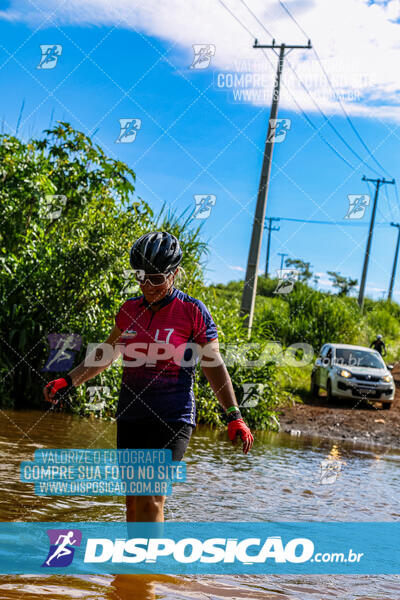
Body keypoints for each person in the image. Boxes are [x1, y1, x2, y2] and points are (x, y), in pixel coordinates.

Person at [43, 231, 254, 523]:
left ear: (175, 273)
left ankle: (149, 563)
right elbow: (107, 352)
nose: (147, 286)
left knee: (152, 496)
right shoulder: (129, 310)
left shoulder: (192, 311)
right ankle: (134, 567)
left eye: (156, 278)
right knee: (133, 501)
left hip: (173, 416)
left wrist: (234, 415)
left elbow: (213, 363)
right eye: (141, 276)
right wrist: (69, 380)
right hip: (132, 413)